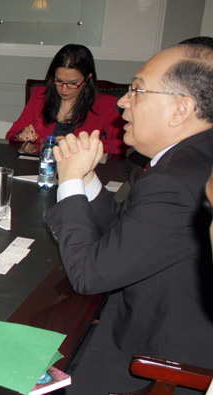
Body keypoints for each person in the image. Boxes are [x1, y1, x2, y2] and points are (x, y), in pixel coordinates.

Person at [44, 38, 213, 394]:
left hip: (155, 364)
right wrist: (89, 181)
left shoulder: (176, 182)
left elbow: (89, 275)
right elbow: (131, 229)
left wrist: (70, 180)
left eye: (137, 90)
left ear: (181, 109)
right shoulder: (191, 158)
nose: (123, 101)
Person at [6, 44, 127, 155]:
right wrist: (22, 135)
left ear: (87, 79)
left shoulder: (104, 104)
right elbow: (11, 134)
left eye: (73, 83)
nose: (64, 89)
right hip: (41, 168)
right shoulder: (40, 96)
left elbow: (123, 145)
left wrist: (82, 144)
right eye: (58, 81)